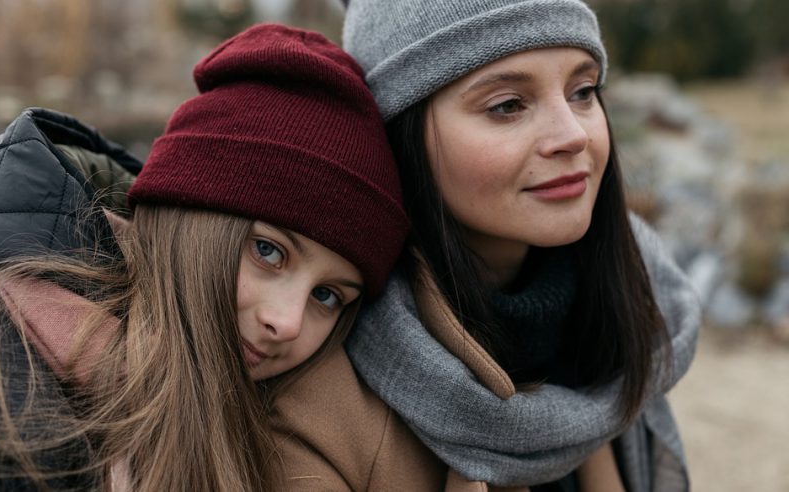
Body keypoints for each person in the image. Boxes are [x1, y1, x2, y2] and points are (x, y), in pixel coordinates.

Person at [270, 1, 701, 490]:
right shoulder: (317, 405)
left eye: (583, 92)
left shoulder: (631, 314)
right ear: (402, 134)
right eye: (508, 105)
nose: (573, 135)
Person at [0, 24, 409, 491]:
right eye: (268, 251)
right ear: (190, 217)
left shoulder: (235, 413)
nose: (287, 323)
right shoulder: (12, 384)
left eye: (327, 296)